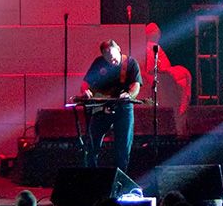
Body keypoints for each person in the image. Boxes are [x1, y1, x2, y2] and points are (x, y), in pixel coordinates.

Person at [79, 39, 142, 173]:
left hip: (123, 108)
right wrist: (85, 91)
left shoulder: (131, 63)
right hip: (102, 106)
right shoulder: (99, 63)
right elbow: (85, 83)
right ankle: (91, 175)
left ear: (118, 49)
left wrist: (129, 95)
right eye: (108, 59)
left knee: (123, 147)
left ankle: (120, 177)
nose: (111, 62)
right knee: (92, 144)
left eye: (113, 58)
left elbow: (136, 85)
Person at [142, 22, 192, 115]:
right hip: (162, 78)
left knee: (182, 73)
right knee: (182, 73)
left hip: (162, 77)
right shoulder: (152, 47)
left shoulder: (149, 47)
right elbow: (152, 68)